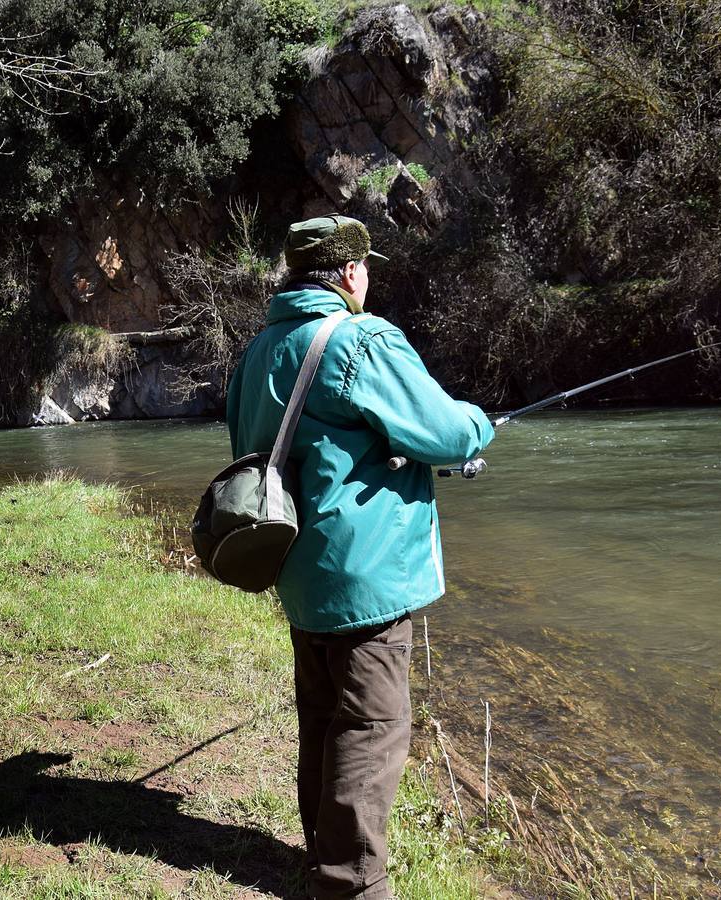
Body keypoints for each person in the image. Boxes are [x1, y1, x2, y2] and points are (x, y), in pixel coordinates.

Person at [225, 216, 493, 899]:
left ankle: (322, 856)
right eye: (364, 268)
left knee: (321, 716)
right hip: (363, 575)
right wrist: (477, 424)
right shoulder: (361, 339)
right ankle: (351, 886)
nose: (366, 279)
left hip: (294, 565)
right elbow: (445, 430)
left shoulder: (259, 349)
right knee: (371, 727)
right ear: (348, 274)